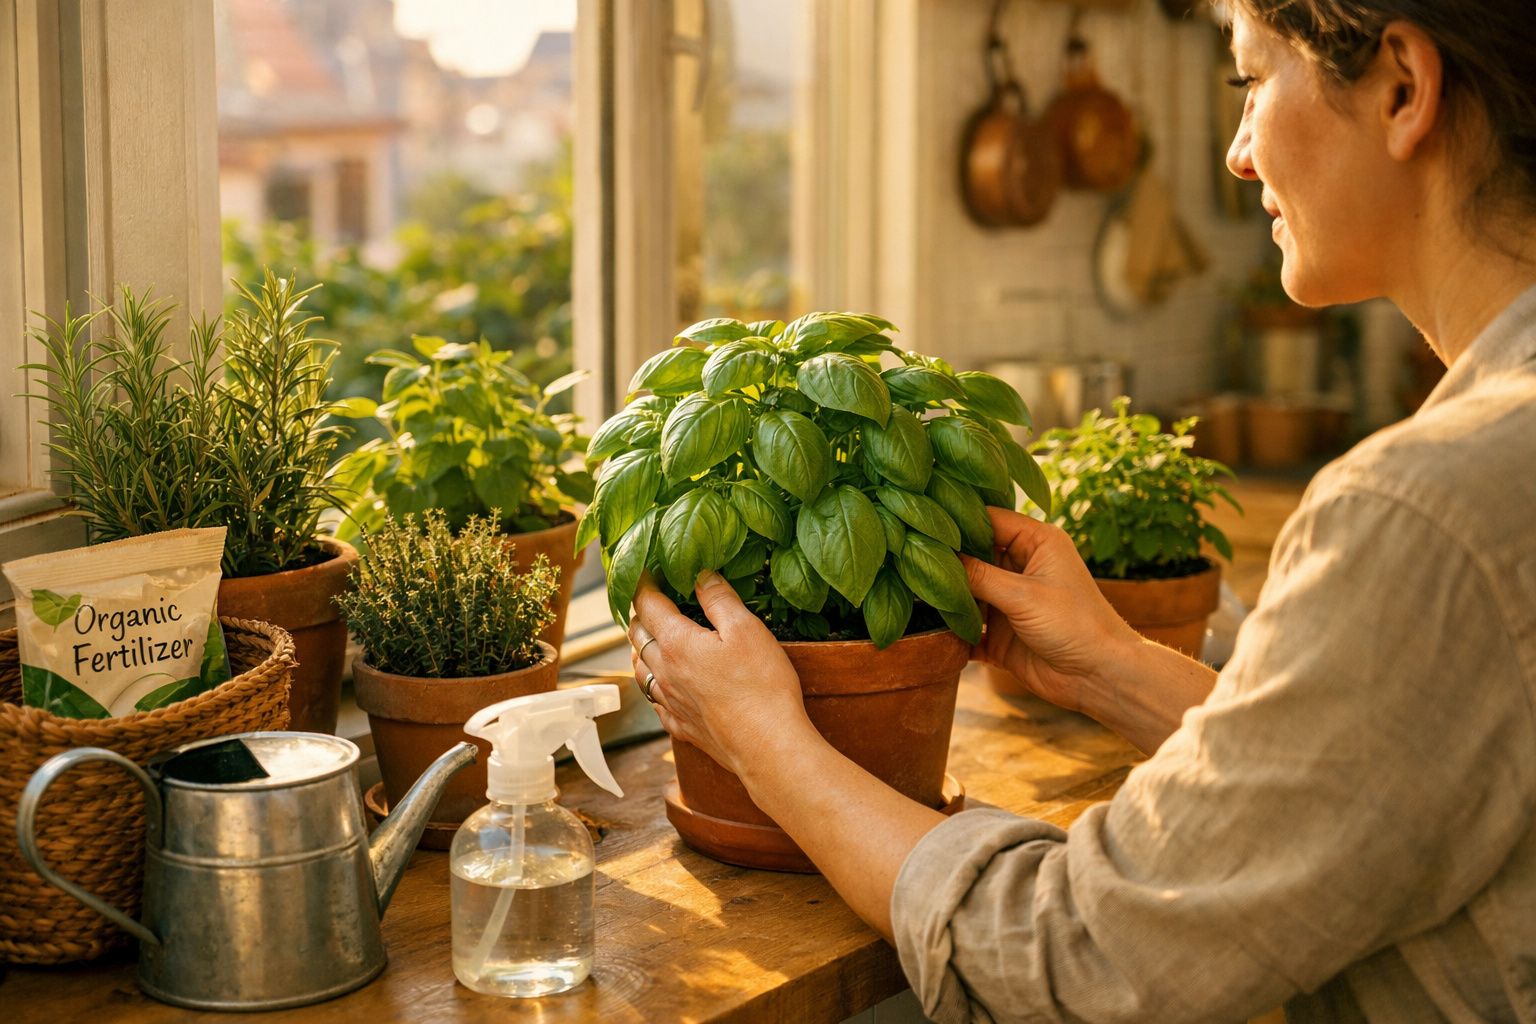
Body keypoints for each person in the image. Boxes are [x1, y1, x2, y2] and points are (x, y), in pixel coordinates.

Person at [628, 1, 1536, 1019]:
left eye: (1249, 81)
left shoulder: (1427, 513)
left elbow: (1075, 956)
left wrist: (763, 740)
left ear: (1404, 89)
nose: (1239, 154)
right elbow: (1382, 777)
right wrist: (1110, 666)